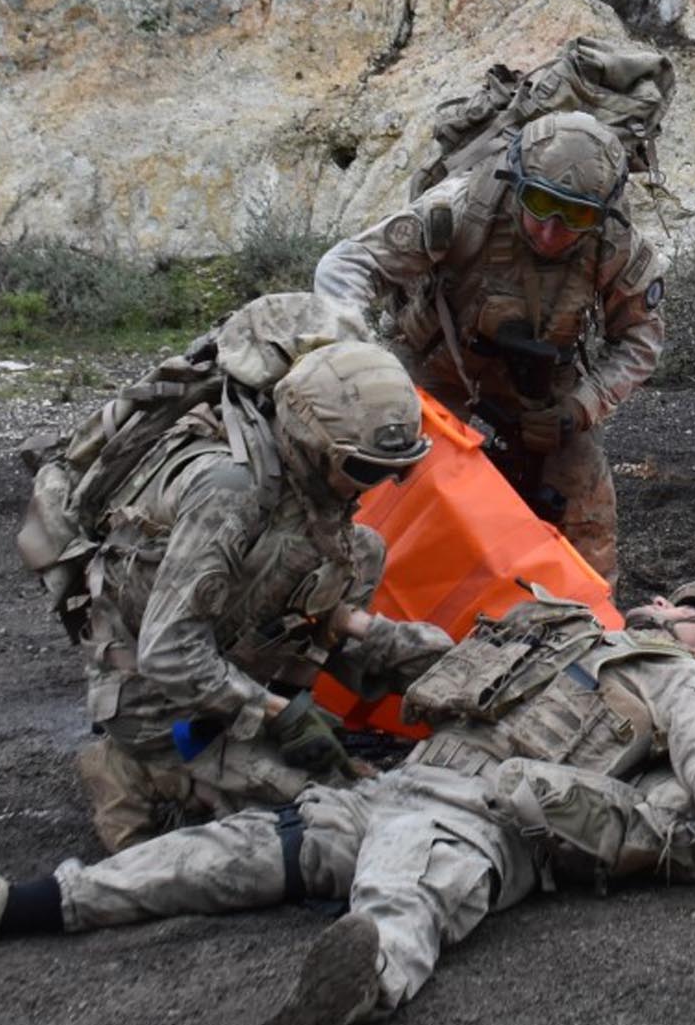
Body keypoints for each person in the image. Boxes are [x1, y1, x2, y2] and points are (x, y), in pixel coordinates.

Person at [0, 584, 695, 1025]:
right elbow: (434, 660)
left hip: (486, 817)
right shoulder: (553, 627)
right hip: (396, 783)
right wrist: (352, 624)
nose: (675, 611)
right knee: (209, 859)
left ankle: (361, 981)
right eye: (675, 599)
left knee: (407, 896)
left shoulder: (675, 682)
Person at [58, 323, 456, 849]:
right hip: (152, 694)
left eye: (394, 471)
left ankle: (244, 743)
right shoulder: (230, 491)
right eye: (362, 467)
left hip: (226, 659)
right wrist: (282, 714)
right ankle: (137, 771)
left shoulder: (314, 493)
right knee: (331, 812)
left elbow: (305, 606)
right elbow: (169, 654)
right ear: (310, 442)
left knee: (364, 550)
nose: (374, 484)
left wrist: (388, 644)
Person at [314, 112, 663, 582]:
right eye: (538, 203)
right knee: (386, 470)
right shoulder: (462, 208)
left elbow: (641, 339)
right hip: (436, 362)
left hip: (543, 387)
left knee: (584, 495)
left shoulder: (615, 247)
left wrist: (578, 408)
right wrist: (360, 359)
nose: (550, 230)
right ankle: (348, 586)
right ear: (514, 182)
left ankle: (595, 628)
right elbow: (347, 266)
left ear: (603, 214)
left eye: (576, 215)